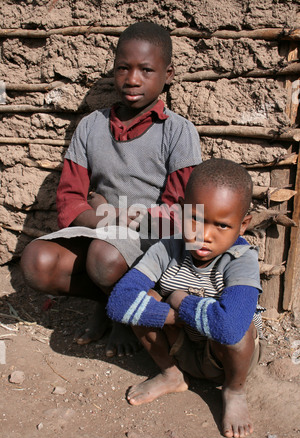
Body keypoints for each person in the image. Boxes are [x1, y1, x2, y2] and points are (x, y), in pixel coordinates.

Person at [20, 22, 202, 357]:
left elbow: (177, 212)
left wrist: (110, 215)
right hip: (101, 236)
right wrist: (106, 221)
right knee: (36, 261)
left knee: (105, 257)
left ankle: (122, 315)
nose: (132, 79)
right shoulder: (91, 126)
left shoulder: (177, 132)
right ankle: (108, 302)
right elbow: (68, 202)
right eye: (123, 68)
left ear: (168, 74)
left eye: (146, 70)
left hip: (152, 246)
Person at [106, 158, 265, 438]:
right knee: (148, 296)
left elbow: (228, 328)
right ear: (181, 212)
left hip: (225, 360)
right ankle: (171, 374)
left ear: (243, 226)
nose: (204, 235)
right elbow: (120, 302)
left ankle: (234, 390)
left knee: (240, 329)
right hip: (180, 348)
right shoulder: (166, 249)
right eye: (196, 219)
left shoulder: (241, 260)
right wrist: (175, 313)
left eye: (222, 226)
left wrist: (179, 299)